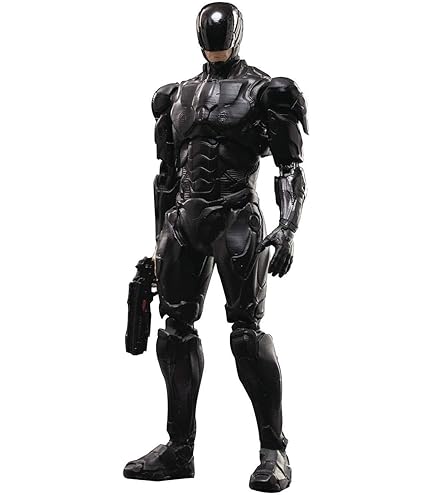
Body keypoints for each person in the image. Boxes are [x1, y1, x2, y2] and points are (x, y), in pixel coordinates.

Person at [123, 2, 308, 492]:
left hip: (236, 216)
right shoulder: (175, 96)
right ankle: (178, 449)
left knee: (246, 334)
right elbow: (166, 174)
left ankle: (274, 451)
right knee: (175, 332)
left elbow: (290, 169)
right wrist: (158, 242)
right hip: (183, 220)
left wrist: (288, 228)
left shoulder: (266, 91)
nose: (215, 44)